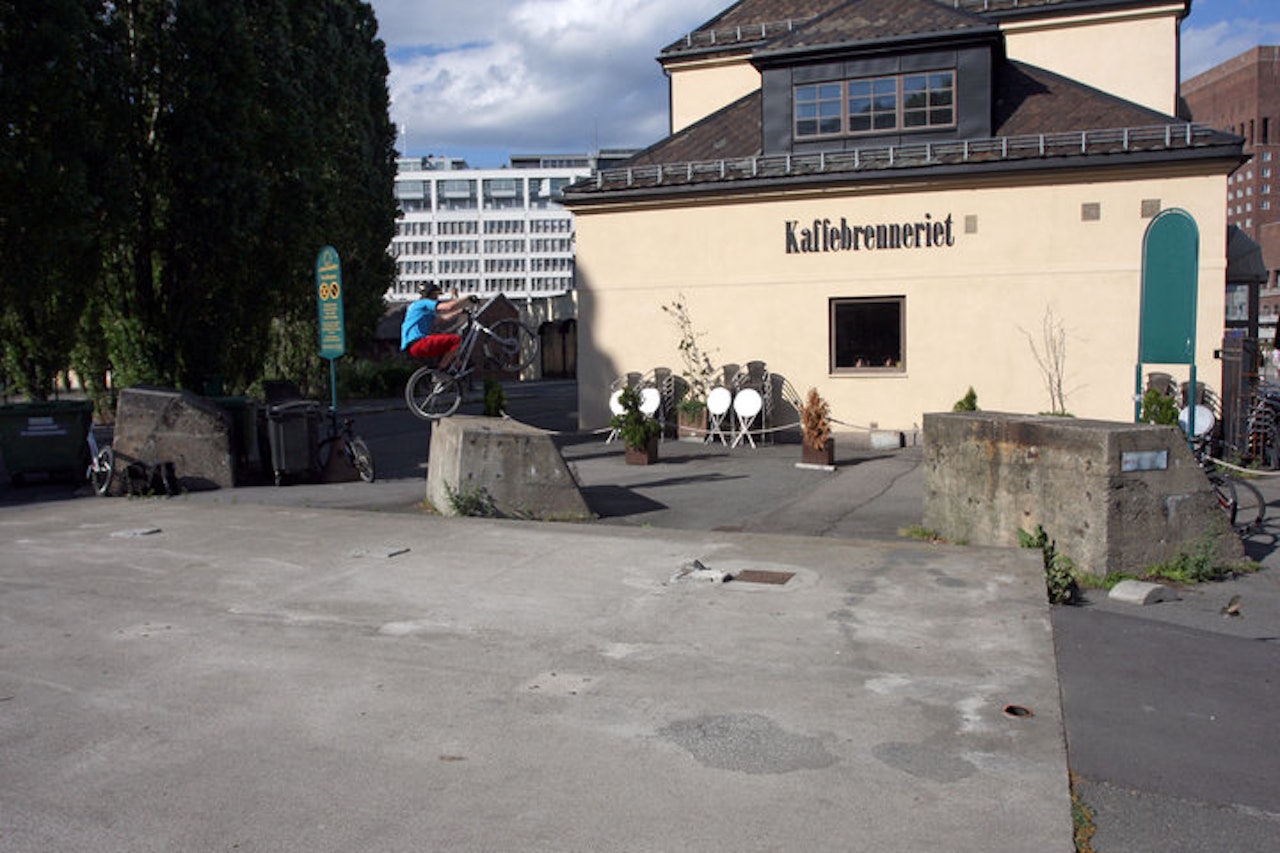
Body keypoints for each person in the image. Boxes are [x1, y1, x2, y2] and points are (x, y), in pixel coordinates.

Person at [400, 283, 475, 370]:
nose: (437, 298)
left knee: (446, 342)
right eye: (436, 295)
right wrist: (467, 298)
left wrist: (460, 311)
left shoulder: (420, 309)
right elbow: (448, 307)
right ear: (430, 294)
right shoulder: (424, 303)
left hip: (413, 347)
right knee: (456, 340)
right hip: (418, 343)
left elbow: (441, 319)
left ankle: (453, 368)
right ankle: (441, 371)